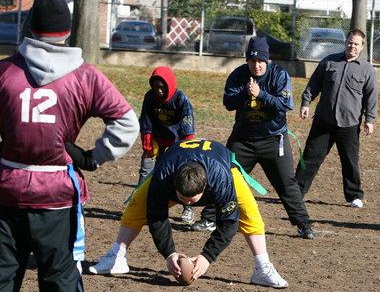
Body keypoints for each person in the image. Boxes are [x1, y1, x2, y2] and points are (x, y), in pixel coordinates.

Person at [0, 0, 139, 292]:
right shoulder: (86, 77)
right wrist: (94, 156)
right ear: (66, 30)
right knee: (60, 278)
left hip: (7, 191)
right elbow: (128, 123)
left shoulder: (5, 71)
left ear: (30, 27)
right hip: (57, 194)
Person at [88, 139, 288, 289]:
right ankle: (117, 256)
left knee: (250, 213)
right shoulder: (163, 176)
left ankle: (262, 268)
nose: (187, 203)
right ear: (174, 186)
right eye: (182, 198)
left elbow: (229, 223)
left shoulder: (220, 180)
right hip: (175, 162)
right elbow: (157, 217)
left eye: (192, 200)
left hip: (220, 163)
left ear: (206, 189)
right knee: (136, 206)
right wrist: (169, 254)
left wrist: (207, 257)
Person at [193, 37, 314, 239]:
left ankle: (303, 224)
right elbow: (228, 103)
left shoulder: (279, 75)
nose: (256, 66)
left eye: (260, 62)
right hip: (243, 140)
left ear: (267, 61)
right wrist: (245, 94)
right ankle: (210, 218)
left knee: (287, 184)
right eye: (252, 61)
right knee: (225, 177)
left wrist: (260, 94)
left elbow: (285, 105)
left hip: (274, 140)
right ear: (247, 61)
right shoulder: (238, 75)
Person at [295, 28, 377, 208]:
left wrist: (369, 120)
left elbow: (370, 97)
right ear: (345, 42)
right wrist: (306, 103)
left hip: (349, 123)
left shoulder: (367, 70)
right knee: (310, 157)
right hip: (323, 120)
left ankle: (354, 196)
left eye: (356, 44)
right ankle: (296, 192)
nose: (352, 46)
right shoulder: (329, 61)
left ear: (362, 47)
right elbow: (314, 84)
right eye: (350, 42)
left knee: (350, 161)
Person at [138, 66, 196, 224]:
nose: (158, 91)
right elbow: (146, 121)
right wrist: (148, 144)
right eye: (155, 87)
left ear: (169, 85)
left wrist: (187, 146)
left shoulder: (180, 99)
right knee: (146, 168)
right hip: (157, 139)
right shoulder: (150, 97)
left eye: (162, 87)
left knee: (183, 172)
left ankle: (188, 208)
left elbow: (188, 124)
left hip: (177, 141)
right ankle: (140, 205)